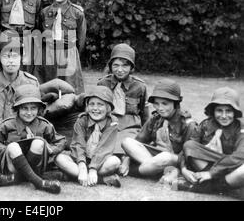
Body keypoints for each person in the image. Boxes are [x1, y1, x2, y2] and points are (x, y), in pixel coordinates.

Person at [0, 84, 66, 194]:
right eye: (25, 108)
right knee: (13, 146)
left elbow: (61, 140)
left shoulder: (44, 125)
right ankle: (40, 183)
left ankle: (16, 178)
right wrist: (5, 149)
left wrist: (52, 149)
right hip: (13, 165)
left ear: (38, 109)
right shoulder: (8, 124)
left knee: (38, 142)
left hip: (37, 166)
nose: (29, 113)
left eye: (33, 108)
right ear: (17, 109)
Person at [121, 79, 197, 183]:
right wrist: (126, 160)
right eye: (156, 103)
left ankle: (135, 171)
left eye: (165, 104)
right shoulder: (155, 119)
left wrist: (178, 170)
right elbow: (139, 142)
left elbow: (189, 158)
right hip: (155, 158)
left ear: (176, 103)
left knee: (164, 157)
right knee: (127, 142)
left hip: (175, 159)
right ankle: (156, 170)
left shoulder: (189, 124)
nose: (160, 108)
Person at [172, 87, 244, 194]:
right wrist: (183, 169)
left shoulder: (240, 129)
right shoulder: (205, 125)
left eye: (228, 111)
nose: (224, 116)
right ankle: (220, 186)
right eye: (219, 110)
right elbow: (186, 149)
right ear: (213, 111)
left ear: (235, 112)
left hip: (230, 168)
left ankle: (206, 187)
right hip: (206, 167)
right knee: (189, 145)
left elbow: (240, 156)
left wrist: (211, 173)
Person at [97, 43, 148, 176]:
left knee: (129, 144)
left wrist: (146, 134)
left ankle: (126, 160)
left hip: (130, 127)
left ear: (131, 67)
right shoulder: (103, 83)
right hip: (109, 125)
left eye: (125, 65)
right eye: (116, 65)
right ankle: (116, 162)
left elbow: (144, 113)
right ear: (110, 66)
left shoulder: (140, 86)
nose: (120, 70)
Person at [55, 86, 122, 187]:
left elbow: (104, 148)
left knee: (115, 162)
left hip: (100, 161)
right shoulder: (82, 120)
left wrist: (93, 169)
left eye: (100, 105)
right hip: (80, 159)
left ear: (108, 107)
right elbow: (78, 144)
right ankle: (101, 179)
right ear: (87, 106)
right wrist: (82, 166)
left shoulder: (112, 122)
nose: (95, 108)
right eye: (92, 104)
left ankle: (73, 176)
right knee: (59, 158)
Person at [34, 0, 86, 94]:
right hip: (49, 54)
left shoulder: (77, 13)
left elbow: (81, 40)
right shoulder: (44, 12)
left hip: (69, 54)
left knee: (70, 90)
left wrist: (72, 54)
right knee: (48, 88)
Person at [0, 32, 39, 120]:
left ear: (21, 58)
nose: (11, 61)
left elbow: (36, 115)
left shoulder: (31, 82)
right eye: (6, 56)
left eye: (15, 56)